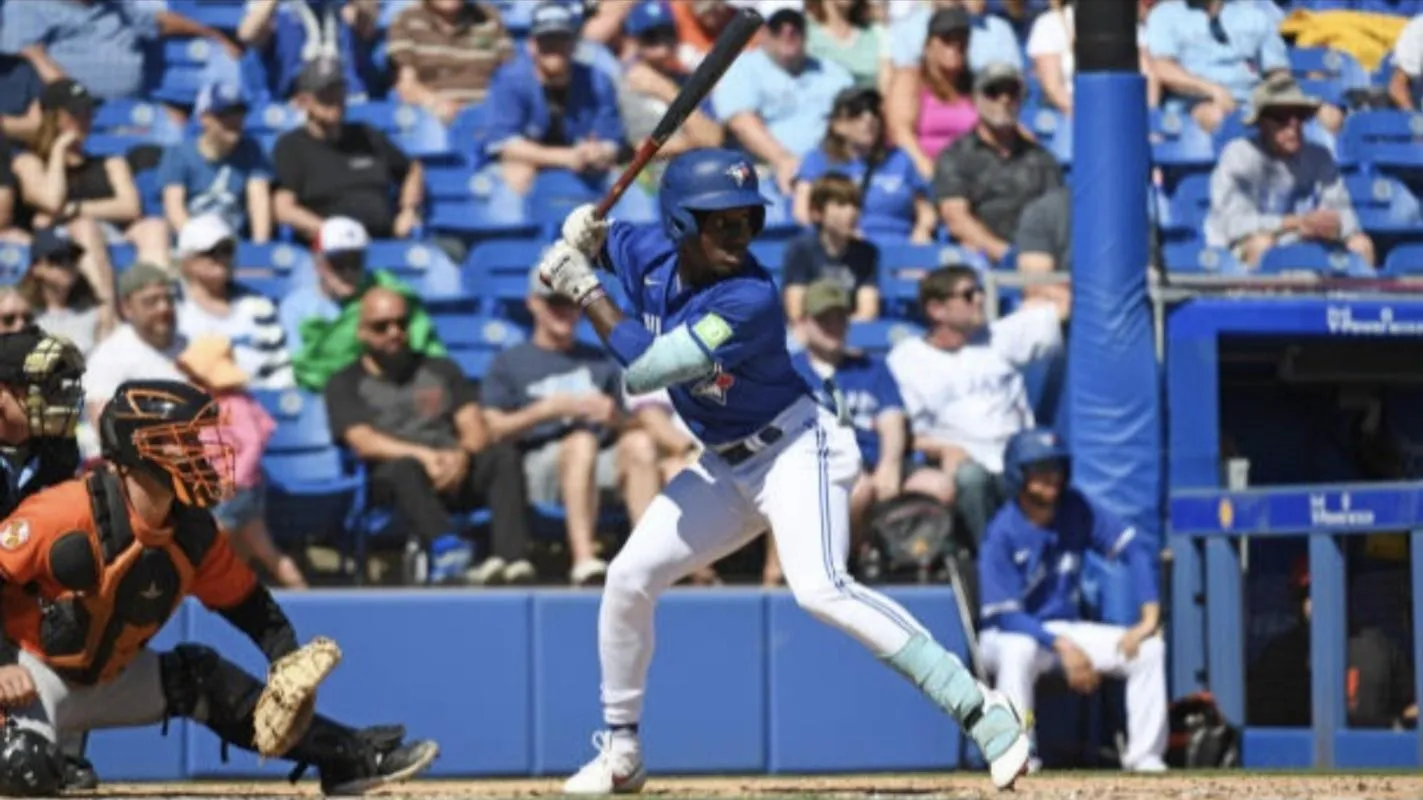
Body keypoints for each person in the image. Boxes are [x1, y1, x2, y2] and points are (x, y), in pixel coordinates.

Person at [535, 147, 1031, 793]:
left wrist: (583, 287)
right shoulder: (648, 254)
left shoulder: (749, 297)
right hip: (725, 464)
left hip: (798, 449)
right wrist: (584, 234)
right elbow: (602, 240)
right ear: (680, 224)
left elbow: (649, 367)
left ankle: (980, 709)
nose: (738, 234)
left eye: (747, 219)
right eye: (721, 221)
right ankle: (621, 748)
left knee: (820, 588)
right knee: (627, 578)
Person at [0, 379, 439, 795]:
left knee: (199, 675)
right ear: (138, 448)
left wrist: (285, 658)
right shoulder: (62, 512)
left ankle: (350, 757)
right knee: (23, 767)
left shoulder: (192, 534)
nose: (198, 452)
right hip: (28, 677)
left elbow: (250, 606)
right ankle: (55, 760)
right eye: (182, 441)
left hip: (108, 681)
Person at [977, 428, 1168, 773]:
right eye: (1040, 468)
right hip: (1007, 635)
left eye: (1057, 467)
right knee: (1019, 649)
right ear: (1018, 474)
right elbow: (1006, 617)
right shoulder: (1001, 532)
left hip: (1062, 631)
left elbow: (1134, 549)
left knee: (1149, 649)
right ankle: (1017, 756)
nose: (1052, 477)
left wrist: (1149, 617)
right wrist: (1063, 646)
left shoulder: (1075, 508)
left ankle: (1145, 757)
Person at [327, 287, 535, 587]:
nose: (394, 332)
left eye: (401, 323)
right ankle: (447, 550)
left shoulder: (441, 369)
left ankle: (511, 559)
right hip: (395, 480)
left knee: (502, 457)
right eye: (381, 326)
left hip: (454, 469)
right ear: (362, 332)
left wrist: (461, 456)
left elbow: (474, 426)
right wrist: (426, 457)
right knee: (404, 469)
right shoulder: (345, 381)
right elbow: (363, 441)